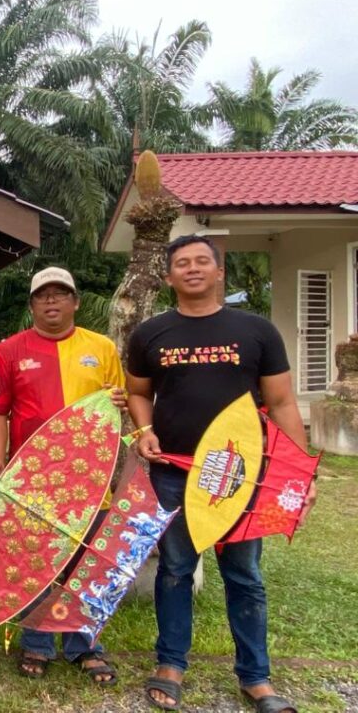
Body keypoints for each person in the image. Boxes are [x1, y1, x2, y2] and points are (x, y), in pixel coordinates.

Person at [126, 234, 315, 713]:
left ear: (218, 272)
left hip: (239, 474)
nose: (192, 269)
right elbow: (138, 393)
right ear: (168, 277)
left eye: (201, 262)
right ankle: (171, 664)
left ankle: (257, 678)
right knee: (174, 571)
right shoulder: (150, 334)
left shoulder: (256, 331)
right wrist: (144, 431)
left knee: (245, 574)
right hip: (173, 471)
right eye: (182, 263)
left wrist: (298, 477)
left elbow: (282, 402)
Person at [0, 266, 124, 685]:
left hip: (89, 475)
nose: (51, 302)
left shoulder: (101, 348)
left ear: (75, 302)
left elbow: (119, 405)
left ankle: (86, 645)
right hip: (33, 475)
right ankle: (38, 644)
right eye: (43, 296)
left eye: (60, 294)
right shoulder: (8, 350)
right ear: (31, 306)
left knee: (86, 562)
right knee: (37, 561)